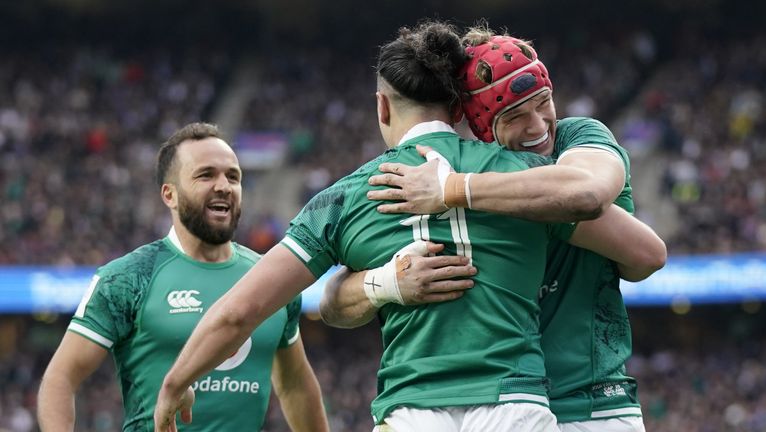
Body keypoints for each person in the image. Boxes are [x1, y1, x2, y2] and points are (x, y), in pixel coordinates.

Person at [151, 21, 636, 432]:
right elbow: (643, 250)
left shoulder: (343, 199)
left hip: (412, 409)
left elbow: (240, 311)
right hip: (515, 404)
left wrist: (176, 381)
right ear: (459, 109)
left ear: (382, 108)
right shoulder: (526, 177)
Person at [333, 26, 665, 432]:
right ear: (481, 125)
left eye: (543, 103)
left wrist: (454, 190)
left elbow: (636, 247)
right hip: (503, 404)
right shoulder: (453, 171)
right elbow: (334, 301)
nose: (539, 125)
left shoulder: (577, 137)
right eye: (515, 115)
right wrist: (385, 283)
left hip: (592, 403)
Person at [37, 122, 329, 432]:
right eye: (206, 175)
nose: (224, 186)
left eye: (233, 176)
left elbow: (295, 384)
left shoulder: (273, 280)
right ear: (169, 195)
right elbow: (60, 378)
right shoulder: (127, 278)